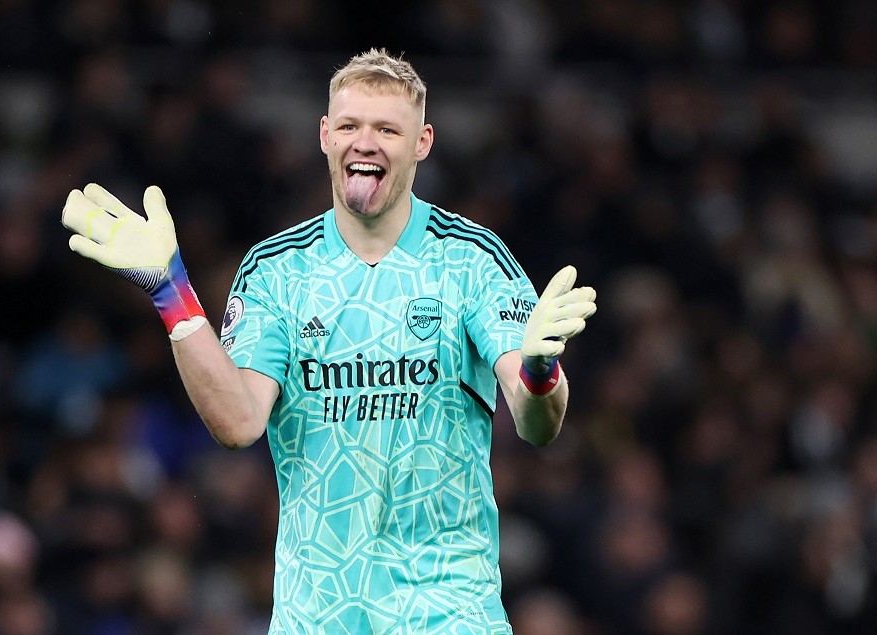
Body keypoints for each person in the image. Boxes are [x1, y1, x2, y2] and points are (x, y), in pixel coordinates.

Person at [61, 48, 597, 634]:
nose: (364, 142)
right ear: (324, 136)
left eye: (387, 129)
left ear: (422, 142)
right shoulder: (276, 271)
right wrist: (172, 294)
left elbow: (536, 423)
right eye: (349, 126)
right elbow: (237, 423)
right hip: (316, 615)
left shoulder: (470, 259)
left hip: (446, 613)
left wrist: (542, 371)